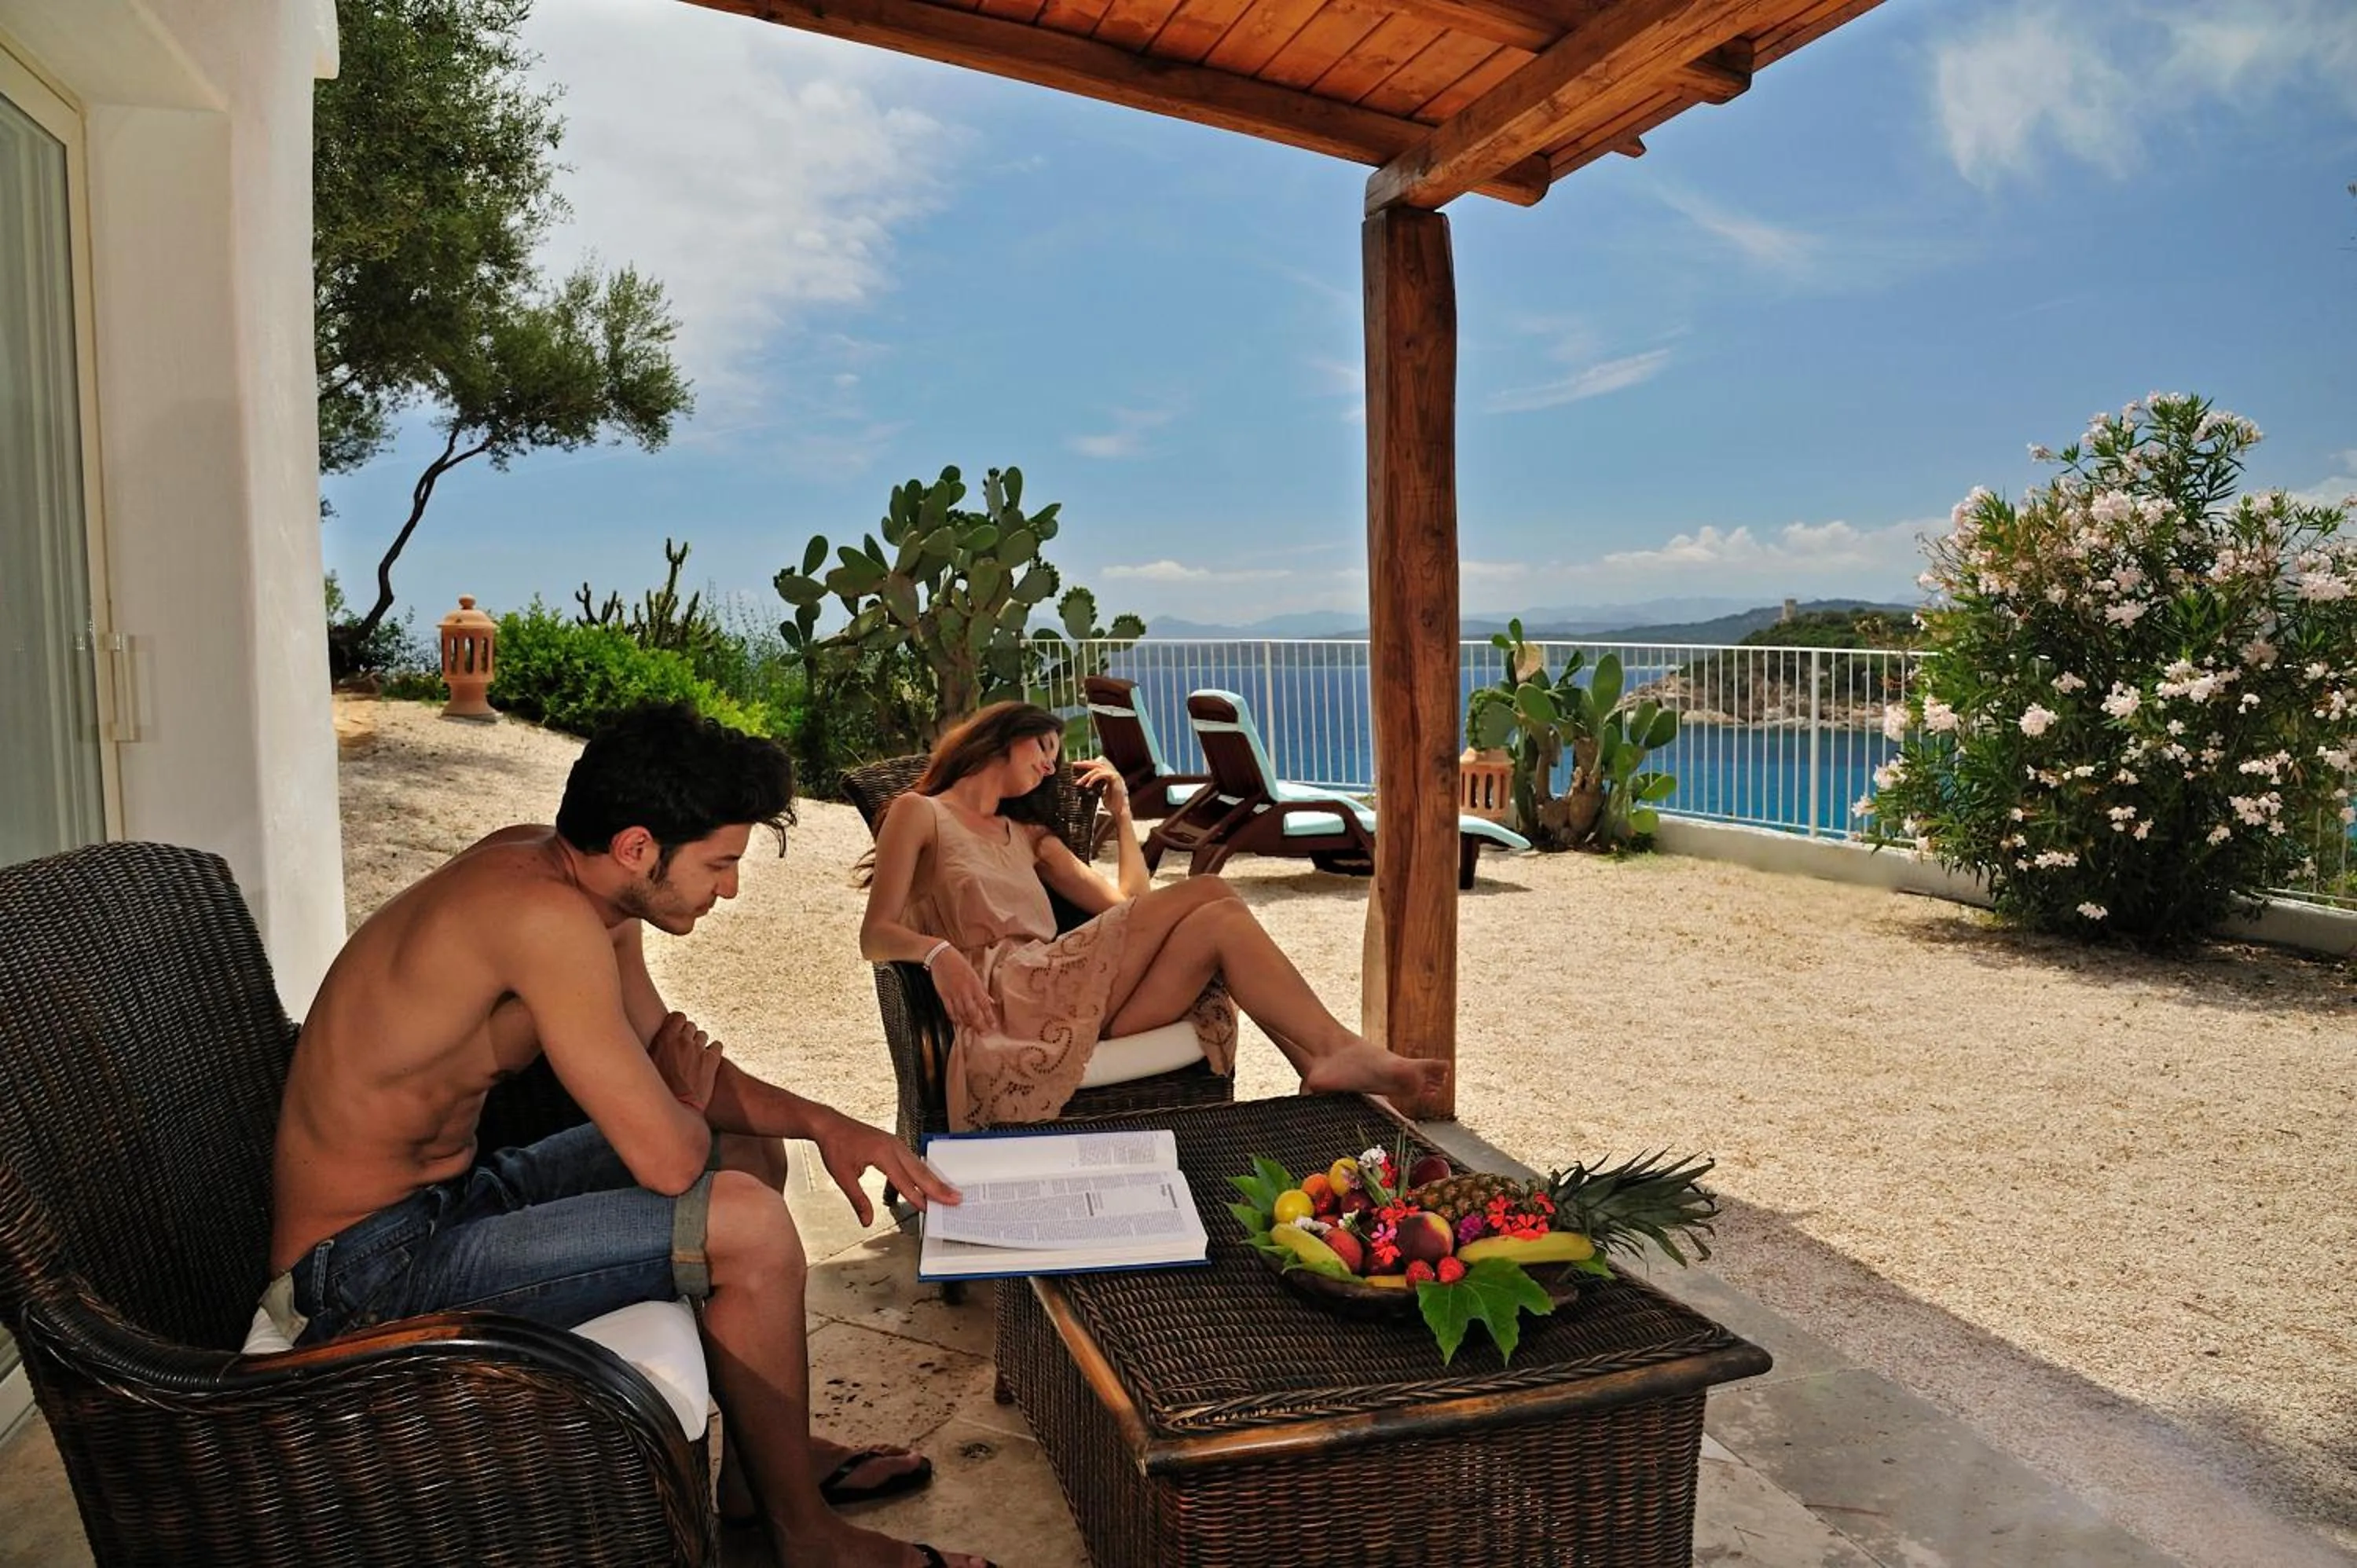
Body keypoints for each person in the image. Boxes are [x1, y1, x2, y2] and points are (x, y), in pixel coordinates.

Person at [269, 702, 990, 1568]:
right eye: (720, 863)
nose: (730, 888)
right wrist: (681, 1097)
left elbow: (676, 1071)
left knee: (749, 1149)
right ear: (639, 847)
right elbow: (672, 1154)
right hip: (363, 1274)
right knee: (749, 1227)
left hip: (452, 1198)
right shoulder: (543, 920)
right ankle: (809, 1540)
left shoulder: (578, 885)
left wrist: (829, 1124)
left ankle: (757, 1479)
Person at [859, 702, 1450, 1129]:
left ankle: (1323, 1058)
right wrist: (937, 953)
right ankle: (1333, 1052)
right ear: (1001, 738)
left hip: (1073, 998)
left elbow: (1128, 908)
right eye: (1043, 748)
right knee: (1210, 889)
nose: (1049, 766)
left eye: (1056, 757)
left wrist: (1121, 815)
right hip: (1011, 998)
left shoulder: (1031, 837)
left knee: (1220, 921)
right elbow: (875, 935)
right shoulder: (920, 813)